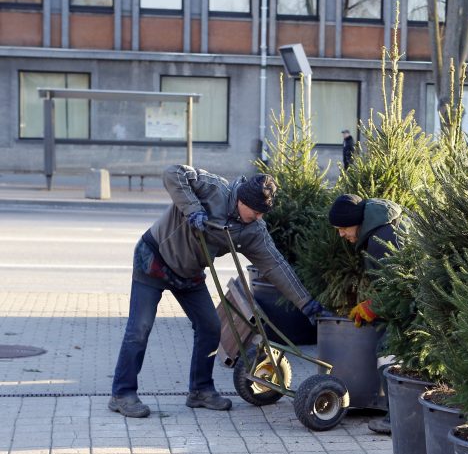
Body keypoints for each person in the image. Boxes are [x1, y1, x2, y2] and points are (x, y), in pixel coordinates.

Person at [109, 165, 325, 418]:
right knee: (139, 329)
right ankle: (122, 394)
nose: (258, 218)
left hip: (189, 274)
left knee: (211, 327)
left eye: (262, 213)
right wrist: (193, 210)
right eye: (255, 211)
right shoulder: (215, 189)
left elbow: (276, 265)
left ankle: (200, 390)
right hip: (154, 261)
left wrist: (307, 304)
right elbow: (173, 173)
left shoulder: (253, 230)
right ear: (242, 200)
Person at [327, 193, 405, 434]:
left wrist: (373, 306)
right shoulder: (383, 224)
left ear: (356, 222)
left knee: (388, 353)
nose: (341, 234)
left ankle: (398, 420)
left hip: (417, 307)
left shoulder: (381, 240)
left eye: (343, 228)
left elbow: (401, 287)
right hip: (413, 302)